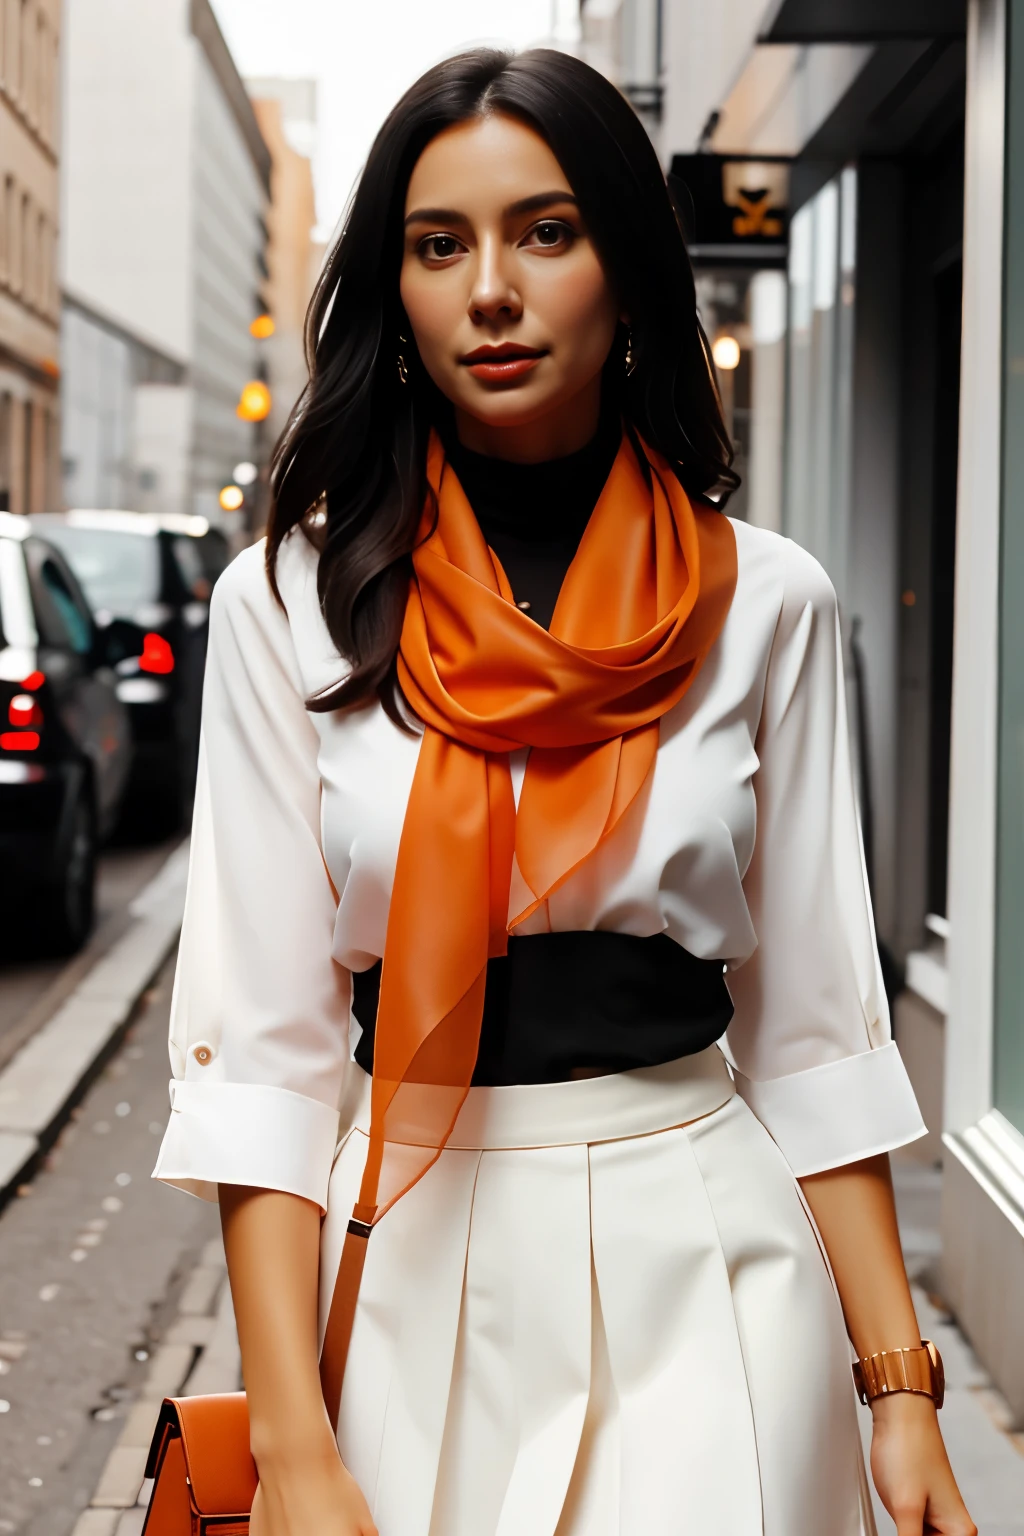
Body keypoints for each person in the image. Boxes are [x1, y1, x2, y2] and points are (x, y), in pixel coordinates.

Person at [153, 47, 975, 1536]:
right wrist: (293, 1445)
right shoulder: (292, 606)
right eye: (437, 244)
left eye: (546, 231)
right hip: (404, 1257)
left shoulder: (766, 601)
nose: (488, 289)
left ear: (628, 267)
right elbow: (259, 1060)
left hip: (709, 1259)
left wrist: (900, 1391)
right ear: (392, 292)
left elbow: (817, 1035)